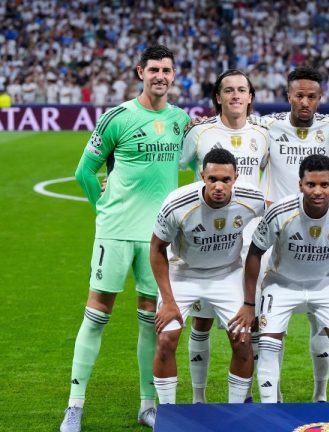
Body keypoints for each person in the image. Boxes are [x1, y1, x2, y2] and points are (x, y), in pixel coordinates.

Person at [61, 45, 190, 432]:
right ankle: (74, 406)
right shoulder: (117, 118)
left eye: (166, 70)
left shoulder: (181, 120)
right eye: (154, 70)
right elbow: (84, 172)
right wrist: (101, 208)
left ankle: (147, 405)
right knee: (97, 315)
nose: (160, 76)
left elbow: (202, 165)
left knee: (151, 321)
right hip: (116, 232)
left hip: (157, 239)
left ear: (173, 75)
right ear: (140, 72)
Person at [246, 154, 329, 403]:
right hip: (281, 283)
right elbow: (254, 253)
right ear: (300, 185)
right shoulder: (280, 212)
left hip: (325, 283)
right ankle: (268, 410)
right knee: (268, 345)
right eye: (311, 184)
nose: (318, 191)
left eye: (324, 185)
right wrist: (249, 303)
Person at [179, 69, 269, 404]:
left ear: (250, 97)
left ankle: (246, 395)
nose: (235, 95)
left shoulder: (263, 133)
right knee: (201, 320)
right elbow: (170, 165)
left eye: (241, 90)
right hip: (207, 239)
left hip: (251, 241)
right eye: (228, 90)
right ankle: (198, 399)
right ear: (218, 97)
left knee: (251, 319)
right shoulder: (200, 132)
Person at [150, 148, 266, 404]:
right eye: (212, 179)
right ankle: (168, 411)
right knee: (166, 339)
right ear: (202, 176)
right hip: (182, 272)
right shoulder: (177, 203)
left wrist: (250, 303)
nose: (218, 186)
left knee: (243, 340)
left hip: (227, 273)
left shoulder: (252, 198)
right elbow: (157, 248)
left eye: (225, 180)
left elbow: (276, 216)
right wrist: (168, 301)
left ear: (235, 178)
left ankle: (237, 411)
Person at [257, 67, 329, 402]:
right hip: (275, 234)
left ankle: (320, 396)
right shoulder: (267, 126)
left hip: (319, 234)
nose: (305, 102)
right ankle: (274, 396)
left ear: (320, 99)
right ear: (288, 96)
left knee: (321, 318)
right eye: (299, 95)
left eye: (312, 97)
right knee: (270, 323)